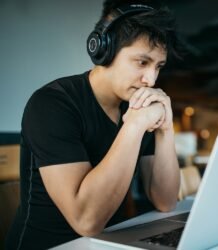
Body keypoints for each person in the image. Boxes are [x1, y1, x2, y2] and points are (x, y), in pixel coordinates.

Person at [6, 0, 182, 249]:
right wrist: (133, 126)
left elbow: (166, 201)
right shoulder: (52, 104)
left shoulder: (137, 105)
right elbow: (86, 221)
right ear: (104, 50)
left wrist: (166, 128)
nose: (151, 79)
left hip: (110, 243)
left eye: (158, 66)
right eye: (142, 62)